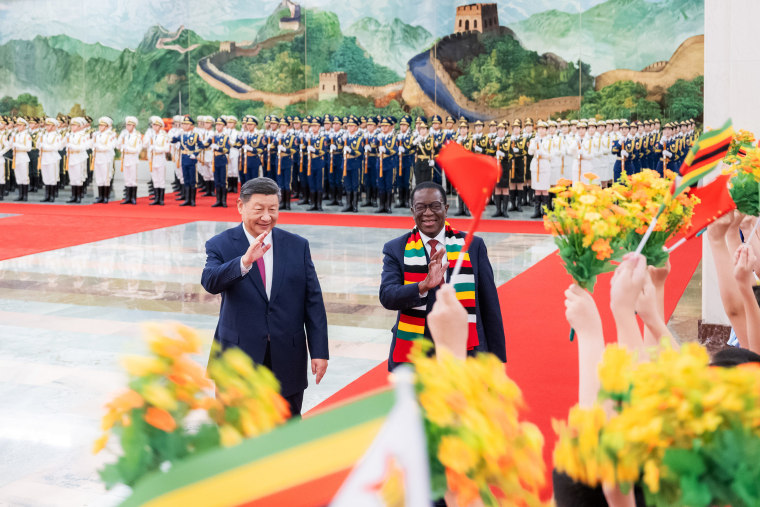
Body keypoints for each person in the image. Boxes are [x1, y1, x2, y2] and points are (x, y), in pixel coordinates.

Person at [201, 177, 329, 417]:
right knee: (236, 433)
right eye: (259, 210)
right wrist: (244, 262)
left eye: (273, 209)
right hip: (237, 358)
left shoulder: (297, 246)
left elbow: (313, 301)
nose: (267, 217)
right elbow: (210, 282)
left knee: (285, 432)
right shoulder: (220, 244)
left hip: (287, 356)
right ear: (240, 206)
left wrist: (320, 351)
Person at [379, 181, 507, 370]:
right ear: (412, 211)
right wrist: (423, 285)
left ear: (446, 209)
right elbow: (388, 297)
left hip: (466, 352)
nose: (428, 213)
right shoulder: (396, 249)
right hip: (416, 354)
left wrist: (496, 360)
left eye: (435, 206)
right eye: (421, 207)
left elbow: (490, 306)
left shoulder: (472, 246)